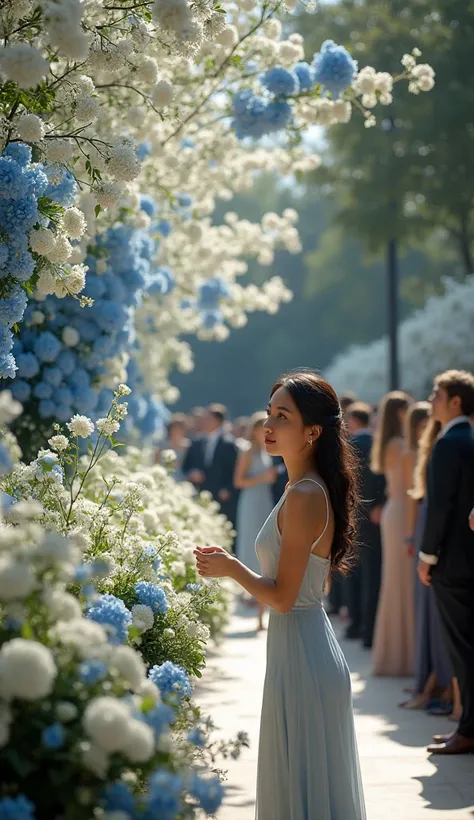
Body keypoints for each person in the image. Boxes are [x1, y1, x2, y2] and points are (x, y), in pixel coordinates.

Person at [195, 370, 366, 820]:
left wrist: (233, 569)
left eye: (283, 416)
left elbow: (285, 598)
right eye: (270, 413)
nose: (269, 425)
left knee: (304, 791)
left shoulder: (305, 494)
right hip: (301, 648)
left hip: (304, 654)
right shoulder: (298, 488)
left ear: (312, 431)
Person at [417, 370, 474, 755]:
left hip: (452, 562)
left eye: (437, 393)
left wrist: (426, 556)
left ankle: (468, 729)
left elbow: (438, 508)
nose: (431, 399)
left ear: (455, 401)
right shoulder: (469, 439)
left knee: (462, 647)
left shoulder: (448, 442)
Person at [399, 408, 453, 711]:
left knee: (437, 614)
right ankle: (432, 683)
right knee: (427, 611)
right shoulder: (426, 454)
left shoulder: (442, 449)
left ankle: (443, 688)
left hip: (434, 537)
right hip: (425, 533)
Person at [371, 390, 414, 676]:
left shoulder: (388, 444)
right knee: (403, 584)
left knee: (395, 583)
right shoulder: (402, 445)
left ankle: (396, 654)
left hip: (393, 511)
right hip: (403, 514)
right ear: (401, 413)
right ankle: (406, 656)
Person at [345, 402, 385, 647]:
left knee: (355, 574)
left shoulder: (353, 446)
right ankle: (370, 629)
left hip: (356, 516)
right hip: (376, 516)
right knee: (373, 574)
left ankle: (358, 624)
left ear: (353, 421)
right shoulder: (377, 443)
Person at [234, 412, 277, 631]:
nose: (266, 432)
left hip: (265, 500)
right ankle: (253, 601)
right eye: (262, 428)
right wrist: (263, 477)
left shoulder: (267, 450)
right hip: (251, 502)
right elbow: (238, 481)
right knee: (253, 548)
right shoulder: (248, 451)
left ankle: (262, 612)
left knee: (266, 550)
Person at [182, 403, 239, 533]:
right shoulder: (197, 442)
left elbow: (235, 469)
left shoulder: (229, 443)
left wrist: (228, 489)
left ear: (217, 421)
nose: (203, 422)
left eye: (207, 418)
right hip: (199, 494)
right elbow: (187, 465)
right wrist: (192, 473)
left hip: (221, 497)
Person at [155, 413, 189, 479]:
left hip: (181, 478)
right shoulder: (162, 444)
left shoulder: (188, 445)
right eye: (175, 428)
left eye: (180, 428)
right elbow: (156, 462)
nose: (177, 431)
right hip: (163, 476)